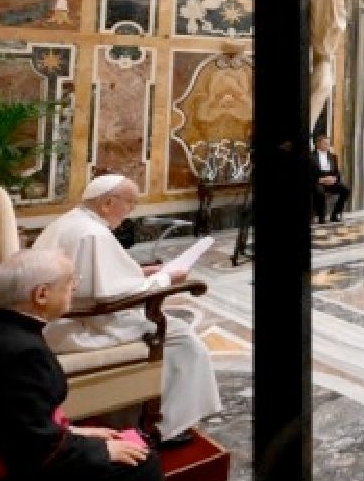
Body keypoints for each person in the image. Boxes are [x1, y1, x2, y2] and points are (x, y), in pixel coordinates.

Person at [0, 249, 163, 481]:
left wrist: (75, 433)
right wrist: (100, 451)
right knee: (143, 464)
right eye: (69, 283)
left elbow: (12, 418)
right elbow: (32, 447)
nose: (74, 288)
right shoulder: (20, 351)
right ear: (41, 295)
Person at [32, 175, 222, 443]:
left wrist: (142, 273)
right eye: (130, 203)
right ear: (108, 203)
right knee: (182, 339)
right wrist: (166, 279)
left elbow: (97, 279)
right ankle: (163, 425)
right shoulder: (93, 233)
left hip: (58, 318)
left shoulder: (69, 221)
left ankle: (132, 412)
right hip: (82, 326)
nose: (131, 210)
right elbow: (113, 295)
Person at [309, 135, 350, 223]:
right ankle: (321, 217)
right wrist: (320, 180)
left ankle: (335, 214)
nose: (328, 145)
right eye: (325, 143)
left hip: (331, 181)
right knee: (320, 192)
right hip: (317, 181)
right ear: (318, 144)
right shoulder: (311, 157)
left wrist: (334, 179)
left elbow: (337, 172)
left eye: (328, 143)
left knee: (346, 190)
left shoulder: (333, 156)